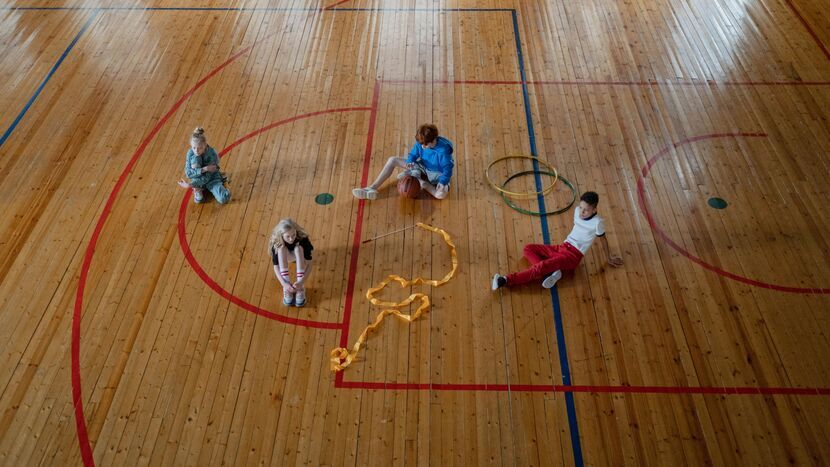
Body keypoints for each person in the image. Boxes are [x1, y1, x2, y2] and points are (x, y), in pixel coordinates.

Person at [492, 191, 623, 290]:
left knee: (541, 266)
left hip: (572, 256)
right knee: (528, 248)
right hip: (562, 247)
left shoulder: (598, 223)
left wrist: (609, 258)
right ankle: (551, 272)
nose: (581, 212)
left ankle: (505, 280)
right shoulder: (577, 211)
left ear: (594, 210)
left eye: (586, 210)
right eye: (581, 207)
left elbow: (603, 240)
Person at [352, 123, 454, 200]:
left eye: (425, 145)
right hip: (422, 166)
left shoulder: (444, 151)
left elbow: (448, 169)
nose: (422, 146)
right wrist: (410, 161)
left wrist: (443, 181)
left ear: (433, 140)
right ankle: (372, 187)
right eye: (421, 144)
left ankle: (419, 180)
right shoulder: (422, 141)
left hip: (436, 173)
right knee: (392, 160)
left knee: (440, 195)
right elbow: (414, 154)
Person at [177, 127, 230, 204]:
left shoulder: (211, 154)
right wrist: (205, 169)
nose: (196, 151)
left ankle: (223, 182)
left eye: (199, 148)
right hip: (198, 179)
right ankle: (198, 189)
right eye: (193, 147)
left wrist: (190, 185)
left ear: (205, 145)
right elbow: (188, 173)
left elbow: (206, 178)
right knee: (195, 158)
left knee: (223, 199)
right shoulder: (190, 153)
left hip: (211, 178)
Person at [269, 219, 314, 307]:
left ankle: (300, 288)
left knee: (298, 248)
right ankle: (287, 288)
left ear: (296, 231)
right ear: (281, 236)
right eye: (288, 236)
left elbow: (310, 264)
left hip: (299, 254)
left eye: (293, 235)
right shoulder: (276, 242)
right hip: (286, 255)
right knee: (281, 248)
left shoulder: (302, 238)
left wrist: (301, 282)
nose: (291, 239)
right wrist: (284, 284)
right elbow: (276, 266)